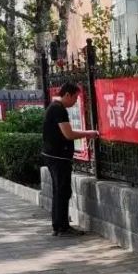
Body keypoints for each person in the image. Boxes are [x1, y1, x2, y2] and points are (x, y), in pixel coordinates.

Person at [42, 83, 99, 236]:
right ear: (67, 95)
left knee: (59, 191)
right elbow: (68, 134)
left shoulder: (54, 108)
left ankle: (59, 226)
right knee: (62, 191)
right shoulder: (58, 109)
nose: (75, 102)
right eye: (75, 98)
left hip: (53, 156)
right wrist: (89, 133)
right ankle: (62, 228)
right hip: (58, 157)